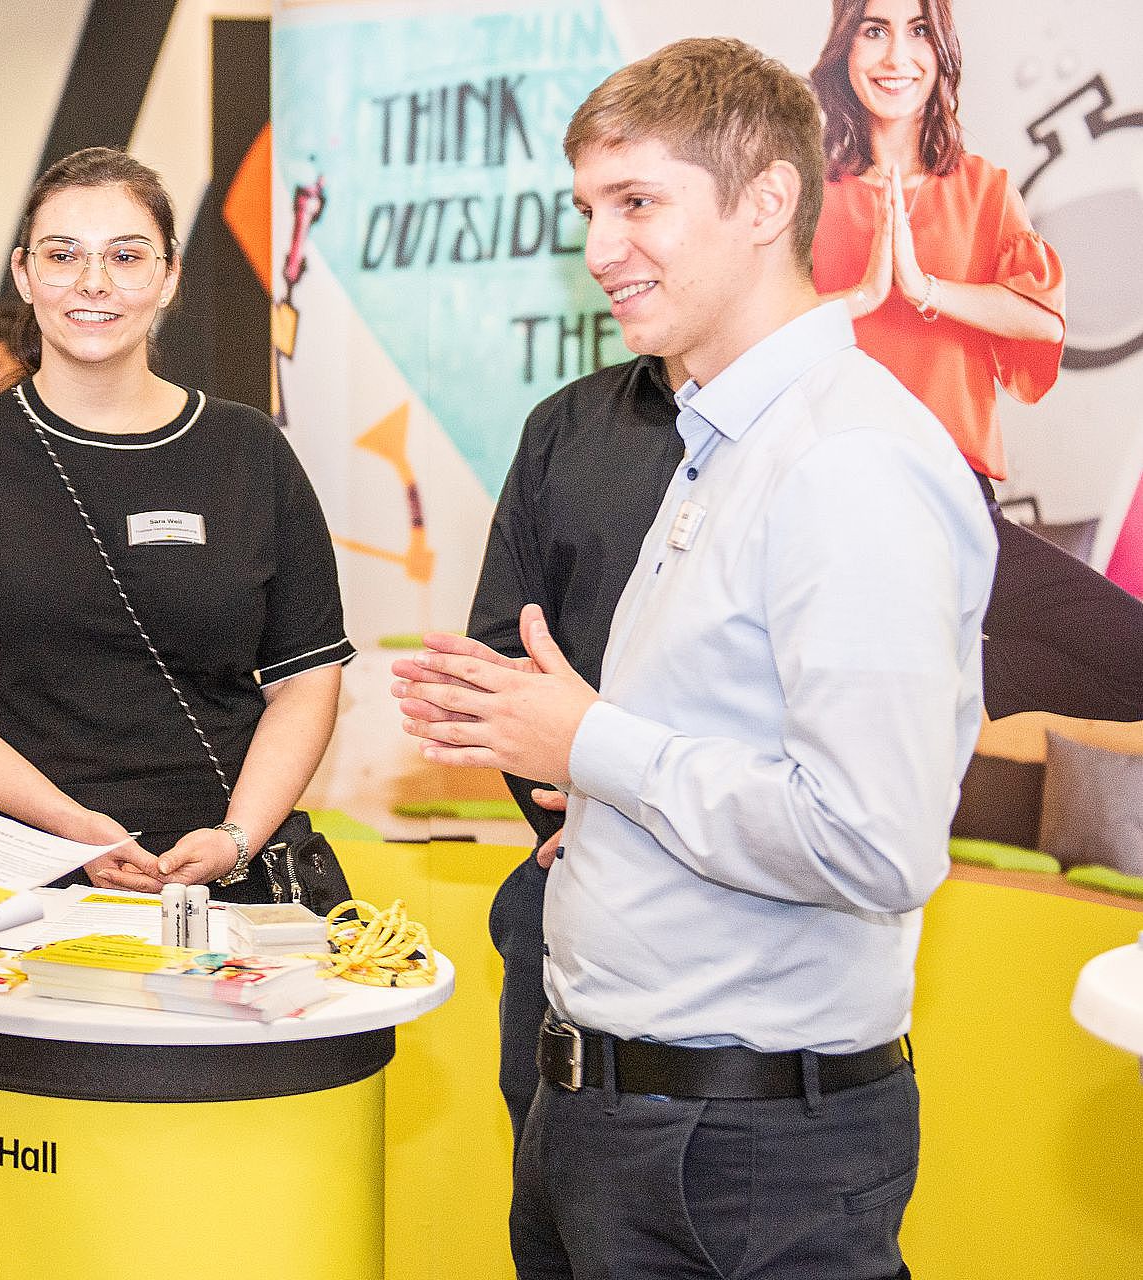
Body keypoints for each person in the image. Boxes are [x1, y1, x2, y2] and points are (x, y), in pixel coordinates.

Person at [395, 38, 994, 1278]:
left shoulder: (843, 460)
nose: (600, 247)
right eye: (587, 210)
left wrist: (588, 744)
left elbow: (873, 840)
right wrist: (572, 763)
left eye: (638, 203)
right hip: (614, 1112)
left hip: (741, 1152)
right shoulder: (718, 438)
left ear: (766, 200)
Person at [0, 147, 352, 898]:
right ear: (25, 275)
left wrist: (238, 835)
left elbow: (306, 679)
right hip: (13, 873)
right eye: (63, 255)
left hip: (221, 873)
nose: (94, 282)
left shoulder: (248, 450)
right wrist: (64, 821)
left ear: (170, 275)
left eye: (126, 256)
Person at [811, 0, 1143, 722]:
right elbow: (761, 341)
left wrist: (926, 289)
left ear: (942, 50)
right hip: (838, 504)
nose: (897, 55)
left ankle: (939, 687)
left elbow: (1041, 316)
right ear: (845, 47)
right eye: (874, 30)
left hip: (957, 508)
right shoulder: (808, 197)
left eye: (918, 30)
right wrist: (866, 294)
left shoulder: (984, 190)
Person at [468, 362, 680, 1146]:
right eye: (596, 226)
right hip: (563, 890)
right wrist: (580, 804)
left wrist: (618, 794)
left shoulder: (833, 437)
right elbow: (505, 654)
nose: (608, 250)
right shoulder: (566, 427)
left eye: (639, 223)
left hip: (749, 946)